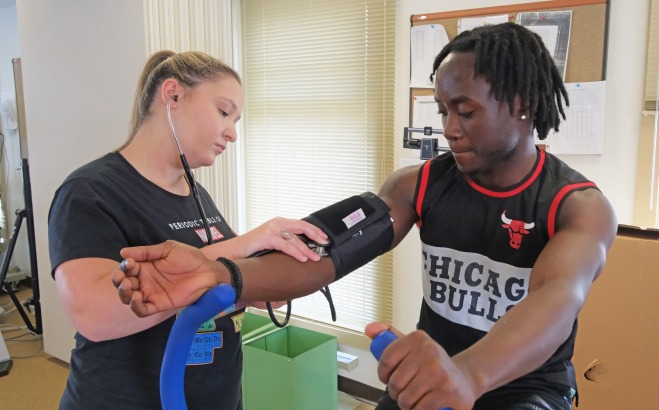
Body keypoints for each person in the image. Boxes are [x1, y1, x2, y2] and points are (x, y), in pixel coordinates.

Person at [113, 23, 617, 410]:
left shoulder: (578, 207)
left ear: (523, 104)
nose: (449, 128)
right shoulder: (417, 184)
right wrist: (219, 271)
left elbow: (556, 300)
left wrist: (469, 375)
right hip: (427, 368)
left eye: (465, 111)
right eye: (442, 111)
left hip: (522, 385)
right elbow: (324, 255)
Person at [48, 50, 329, 410]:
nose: (232, 133)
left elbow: (226, 284)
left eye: (237, 120)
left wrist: (286, 271)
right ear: (173, 95)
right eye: (224, 112)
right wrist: (245, 243)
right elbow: (94, 315)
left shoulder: (195, 193)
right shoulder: (90, 191)